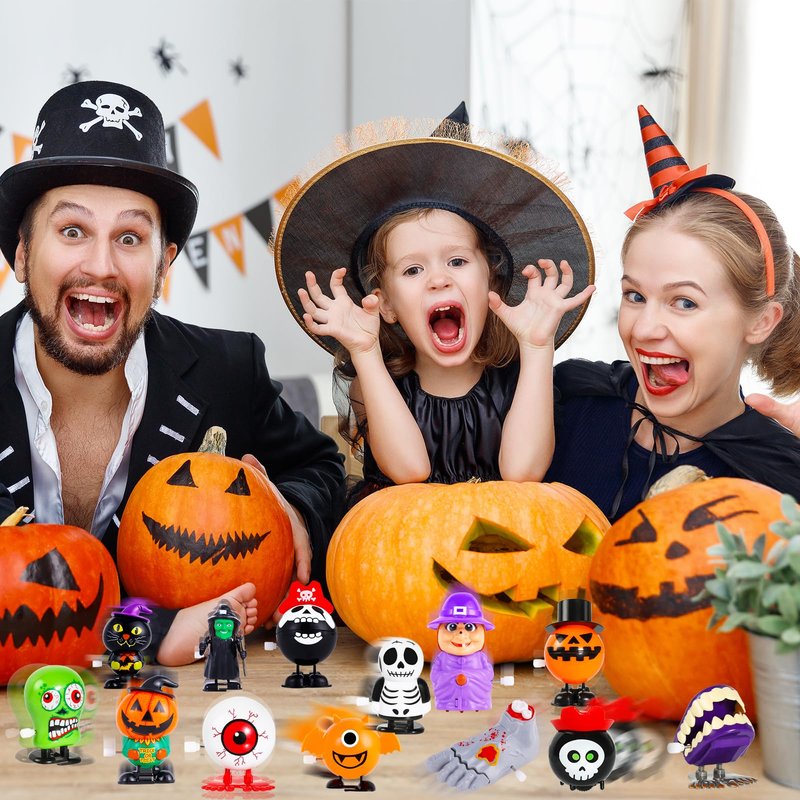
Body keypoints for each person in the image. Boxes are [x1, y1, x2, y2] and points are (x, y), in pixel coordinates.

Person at [0, 80, 345, 665]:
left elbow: (321, 469)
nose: (101, 265)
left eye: (130, 237)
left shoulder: (228, 371)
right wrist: (156, 631)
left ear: (164, 265)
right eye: (72, 231)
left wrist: (290, 510)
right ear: (22, 253)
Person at [274, 105, 594, 499]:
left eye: (457, 262)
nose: (439, 279)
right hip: (402, 533)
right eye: (413, 270)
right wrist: (365, 351)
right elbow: (410, 470)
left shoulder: (519, 378)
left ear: (491, 281)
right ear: (386, 305)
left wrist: (537, 347)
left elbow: (522, 472)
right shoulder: (372, 384)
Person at [545, 106, 800, 519]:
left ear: (761, 322)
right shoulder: (565, 403)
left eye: (684, 302)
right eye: (634, 296)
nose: (644, 328)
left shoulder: (780, 483)